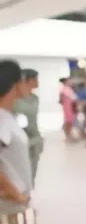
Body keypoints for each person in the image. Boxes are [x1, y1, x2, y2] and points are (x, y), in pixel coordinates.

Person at [0, 60, 33, 222]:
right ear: (14, 84)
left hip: (15, 206)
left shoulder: (8, 116)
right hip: (8, 208)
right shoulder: (2, 119)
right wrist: (15, 193)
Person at [13, 69, 43, 185]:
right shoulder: (14, 99)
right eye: (35, 79)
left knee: (32, 175)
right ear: (27, 80)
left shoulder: (35, 98)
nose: (37, 82)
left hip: (34, 140)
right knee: (20, 175)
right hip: (20, 140)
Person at [59, 77, 77, 142]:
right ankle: (67, 136)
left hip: (71, 107)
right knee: (67, 122)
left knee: (70, 122)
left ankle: (69, 135)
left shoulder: (69, 89)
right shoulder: (63, 90)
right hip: (67, 108)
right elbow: (60, 100)